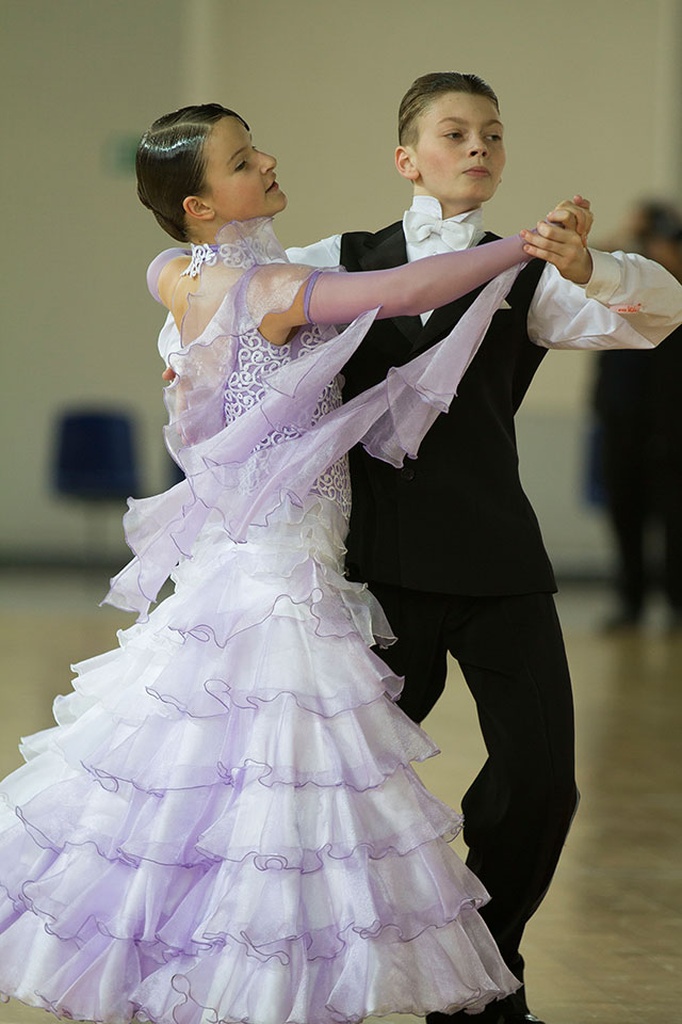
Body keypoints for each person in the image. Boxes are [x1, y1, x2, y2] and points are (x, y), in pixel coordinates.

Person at [0, 103, 581, 1024]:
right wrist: (517, 250)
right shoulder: (270, 290)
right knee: (287, 795)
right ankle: (256, 988)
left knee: (208, 783)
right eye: (242, 160)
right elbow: (400, 293)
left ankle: (187, 965)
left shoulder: (174, 271)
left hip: (248, 563)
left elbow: (180, 303)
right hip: (288, 584)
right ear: (200, 204)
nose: (267, 160)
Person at [285, 73, 682, 1024]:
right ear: (406, 158)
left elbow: (660, 313)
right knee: (333, 793)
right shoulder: (336, 261)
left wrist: (590, 268)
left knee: (542, 786)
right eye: (455, 133)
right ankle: (295, 977)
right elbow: (224, 325)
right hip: (372, 574)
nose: (478, 149)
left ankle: (483, 978)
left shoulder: (533, 272)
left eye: (492, 135)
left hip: (500, 566)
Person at [591, 200, 682, 630]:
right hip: (620, 423)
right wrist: (629, 235)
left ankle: (677, 604)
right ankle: (632, 602)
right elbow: (588, 267)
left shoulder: (673, 292)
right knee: (624, 514)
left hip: (671, 429)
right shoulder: (625, 283)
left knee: (674, 519)